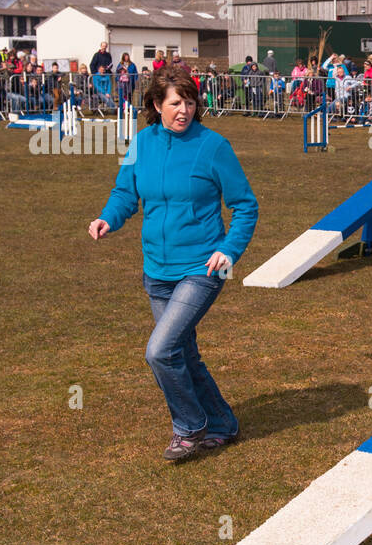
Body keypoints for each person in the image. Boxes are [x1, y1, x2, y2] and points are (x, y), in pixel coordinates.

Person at [87, 65, 258, 461]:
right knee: (182, 352)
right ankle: (221, 423)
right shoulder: (142, 143)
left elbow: (245, 205)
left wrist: (229, 249)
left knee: (160, 351)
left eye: (191, 102)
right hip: (156, 269)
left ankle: (189, 426)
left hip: (203, 266)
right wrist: (108, 217)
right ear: (155, 104)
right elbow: (125, 191)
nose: (184, 110)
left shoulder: (213, 146)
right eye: (176, 103)